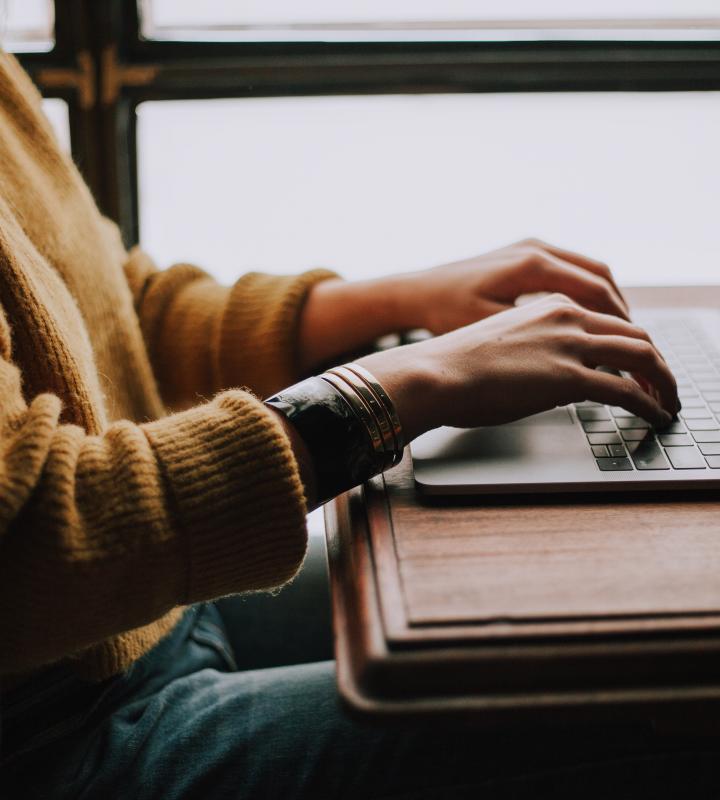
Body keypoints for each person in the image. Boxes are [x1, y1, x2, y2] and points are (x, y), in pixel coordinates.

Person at [2, 45, 716, 800]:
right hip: (55, 737)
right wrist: (405, 384)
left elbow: (117, 310)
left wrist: (399, 301)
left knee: (590, 614)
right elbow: (32, 543)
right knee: (661, 711)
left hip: (146, 620)